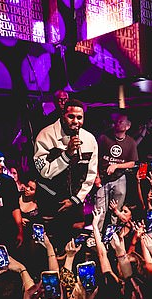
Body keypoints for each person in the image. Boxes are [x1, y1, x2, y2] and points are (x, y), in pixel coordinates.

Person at [33, 98, 98, 250]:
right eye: (71, 116)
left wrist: (76, 199)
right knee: (49, 242)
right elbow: (44, 172)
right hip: (50, 202)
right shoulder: (45, 136)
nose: (76, 121)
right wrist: (67, 155)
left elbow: (90, 174)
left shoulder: (90, 139)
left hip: (74, 202)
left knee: (75, 237)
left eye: (79, 117)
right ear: (63, 115)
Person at [94, 111, 139, 234]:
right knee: (100, 209)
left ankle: (111, 236)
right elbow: (95, 158)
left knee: (116, 210)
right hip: (103, 178)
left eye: (121, 121)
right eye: (116, 121)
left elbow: (132, 163)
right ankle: (96, 237)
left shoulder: (131, 142)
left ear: (128, 126)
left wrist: (117, 166)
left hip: (119, 178)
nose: (117, 123)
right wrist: (96, 176)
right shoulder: (104, 138)